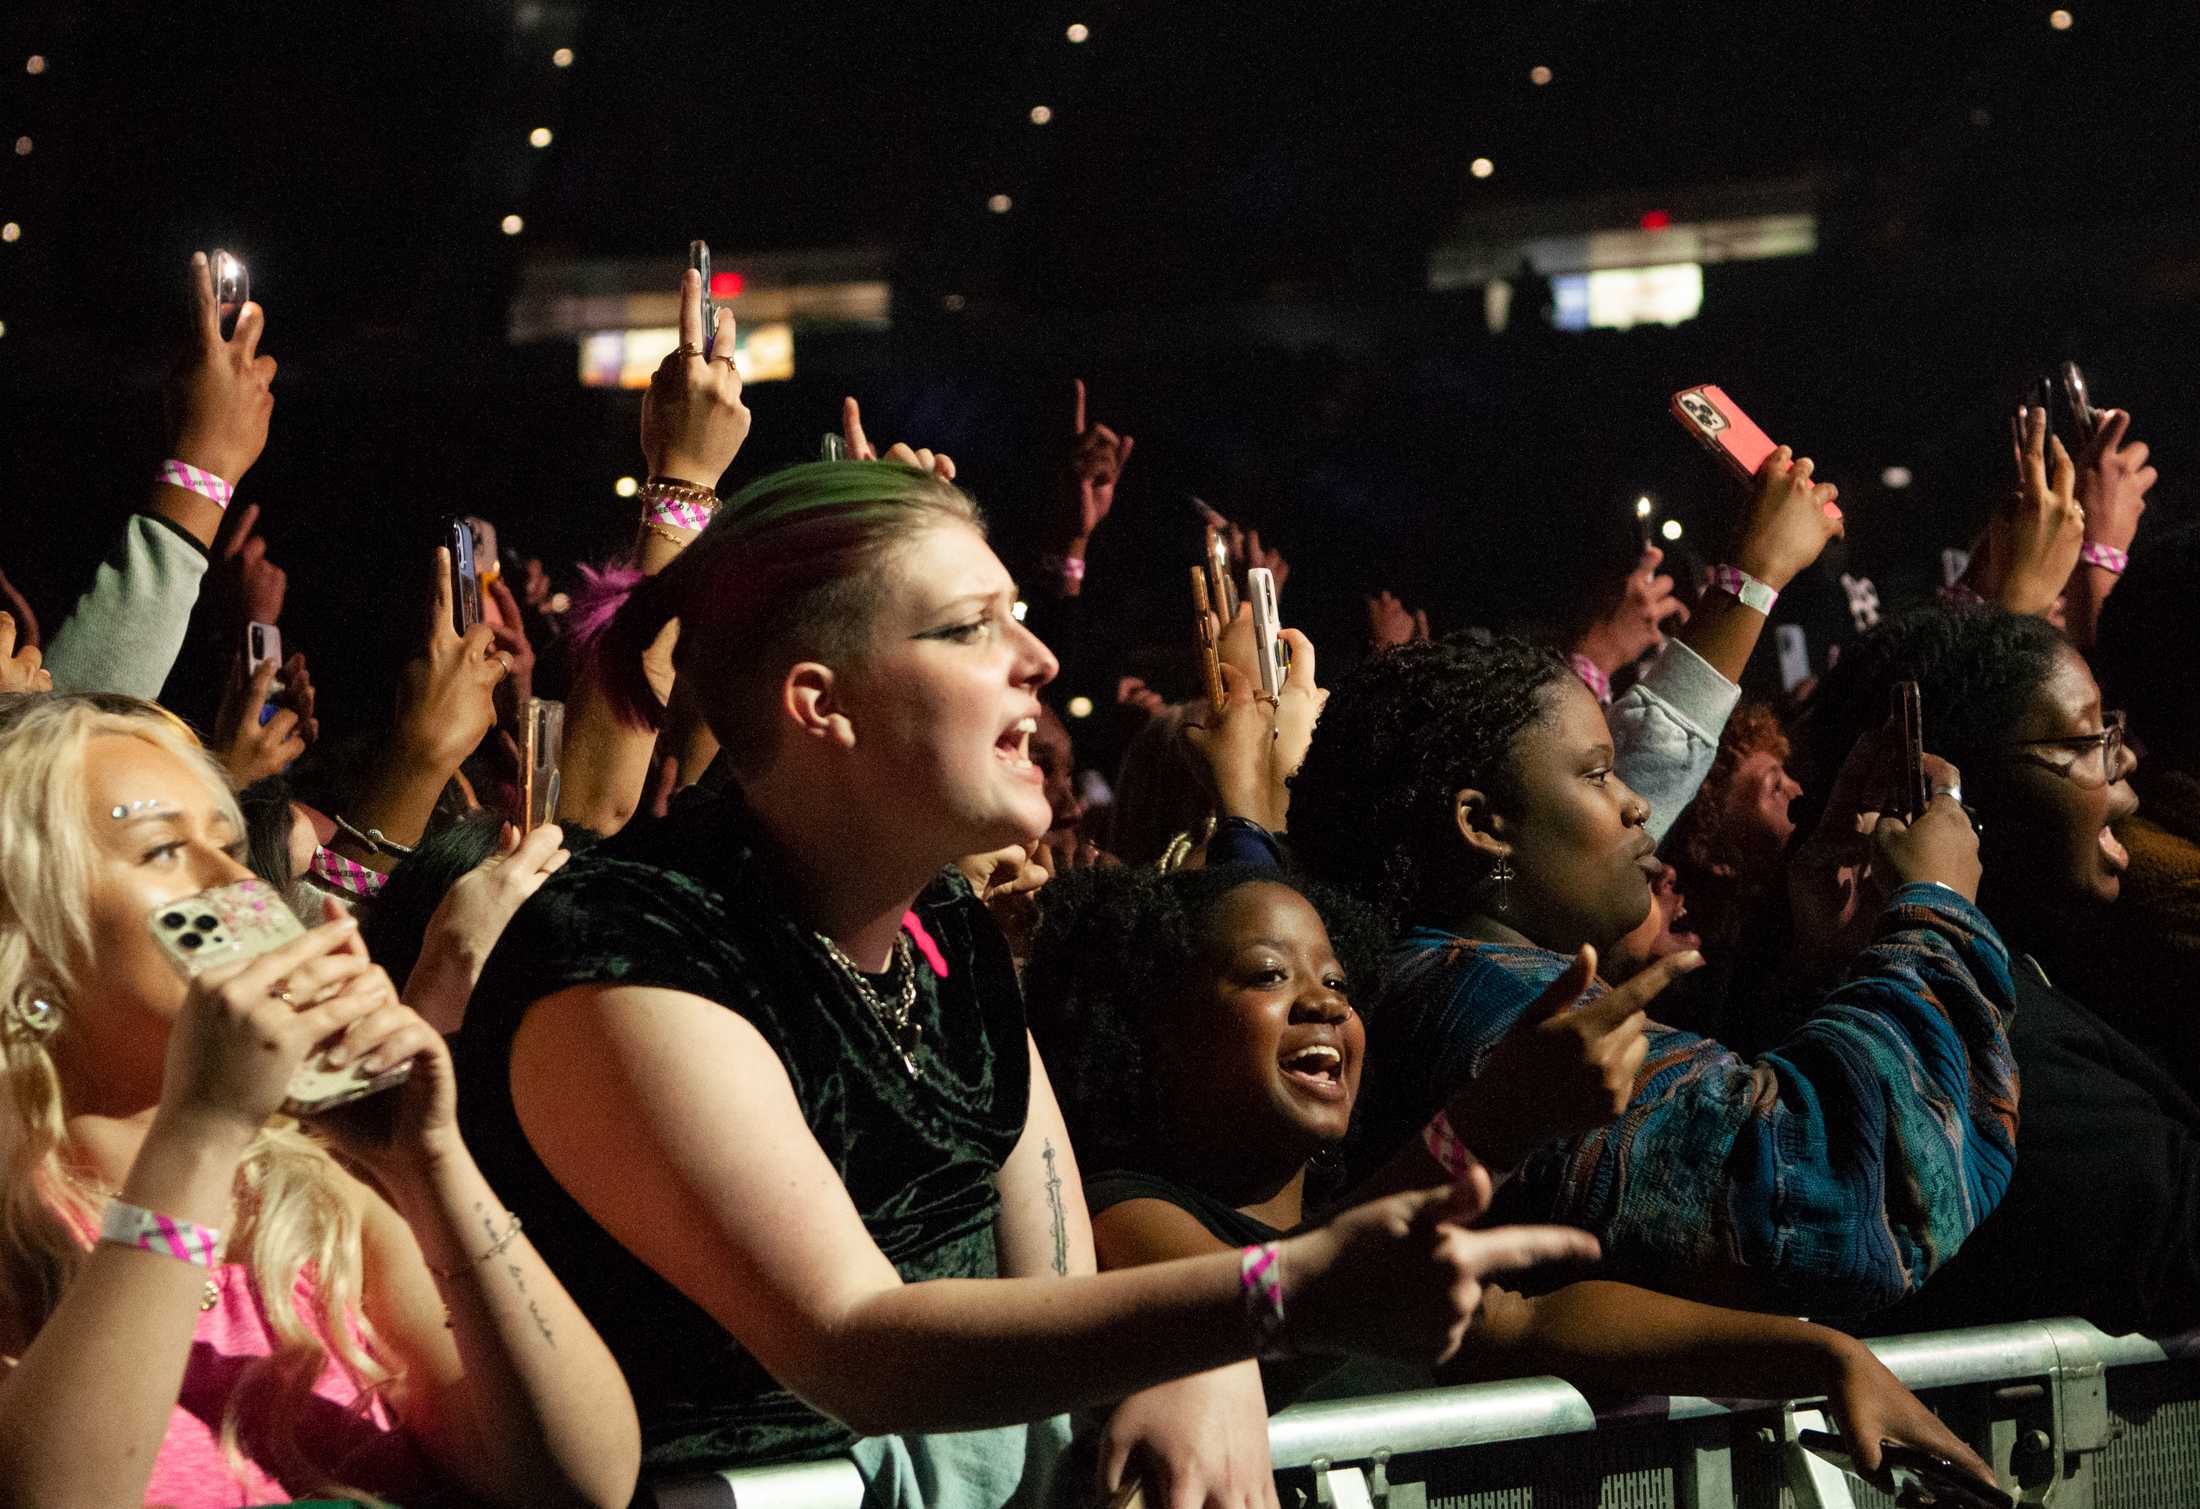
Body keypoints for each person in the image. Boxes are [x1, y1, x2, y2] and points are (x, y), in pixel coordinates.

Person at [453, 274, 1598, 1505]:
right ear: (818, 703)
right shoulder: (630, 948)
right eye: (968, 628)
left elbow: (1055, 1302)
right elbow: (855, 1345)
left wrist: (1191, 1355)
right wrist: (1261, 1303)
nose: (1040, 657)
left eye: (1018, 615)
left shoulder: (939, 925)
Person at [1022, 862, 1999, 1490]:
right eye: (1270, 976)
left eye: (1337, 983)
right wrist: (1491, 1123)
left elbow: (1533, 1320)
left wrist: (1817, 1356)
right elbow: (1256, 1327)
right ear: (1154, 1034)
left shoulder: (1353, 1205)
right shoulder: (1125, 1216)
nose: (1323, 1004)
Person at [0, 693, 638, 1508]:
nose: (235, 884)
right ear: (24, 932)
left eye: (230, 845)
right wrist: (201, 1132)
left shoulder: (311, 1195)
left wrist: (428, 1161)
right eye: (163, 851)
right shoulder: (21, 1221)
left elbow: (586, 1481)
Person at [1285, 630, 2021, 1318]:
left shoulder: (1442, 982)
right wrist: (1937, 915)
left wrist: (1818, 961)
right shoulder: (1507, 1019)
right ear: (1483, 824)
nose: (1637, 802)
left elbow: (1718, 1119)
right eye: (1598, 774)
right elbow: (1825, 1193)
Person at [1791, 601, 2200, 1334]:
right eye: (2085, 737)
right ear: (1944, 793)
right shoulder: (1991, 1043)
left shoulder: (2053, 972)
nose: (2125, 755)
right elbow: (2175, 1236)